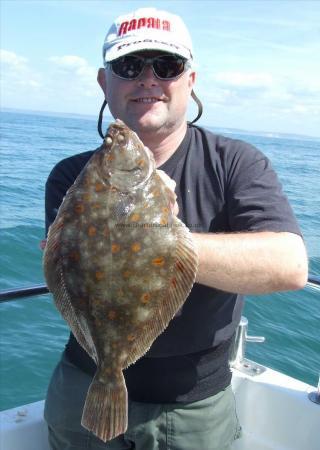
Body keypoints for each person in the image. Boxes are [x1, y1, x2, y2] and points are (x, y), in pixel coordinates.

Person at [43, 7, 308, 450]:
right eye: (129, 66)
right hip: (82, 384)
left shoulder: (236, 163)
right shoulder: (70, 175)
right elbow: (65, 268)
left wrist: (159, 235)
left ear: (190, 80)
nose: (148, 78)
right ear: (104, 82)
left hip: (192, 408)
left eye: (166, 66)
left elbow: (291, 266)